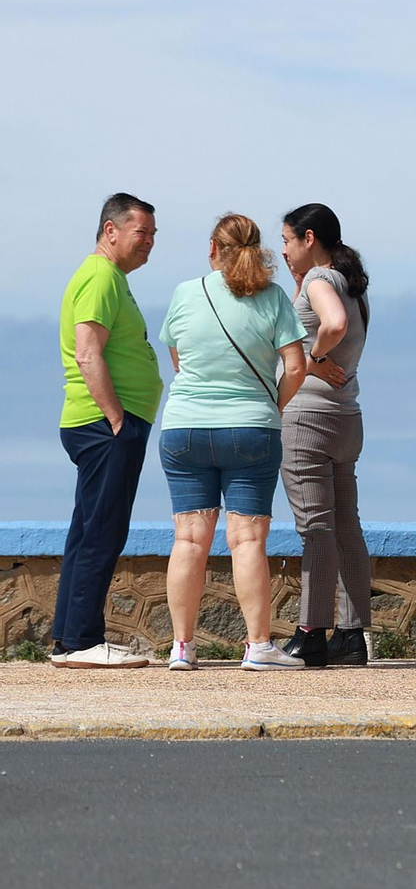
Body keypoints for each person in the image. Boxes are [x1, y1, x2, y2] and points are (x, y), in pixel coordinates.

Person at [157, 214, 308, 671]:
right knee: (246, 541)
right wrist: (271, 408)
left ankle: (182, 648)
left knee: (188, 539)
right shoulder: (274, 297)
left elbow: (178, 358)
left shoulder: (186, 293)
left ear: (211, 249)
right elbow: (297, 367)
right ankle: (258, 646)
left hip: (183, 428)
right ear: (258, 249)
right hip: (251, 429)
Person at [52, 194, 163, 668]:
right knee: (102, 530)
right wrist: (117, 419)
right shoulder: (100, 276)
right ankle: (80, 642)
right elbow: (87, 352)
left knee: (88, 529)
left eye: (154, 236)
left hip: (101, 423)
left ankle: (70, 638)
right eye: (143, 233)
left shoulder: (109, 277)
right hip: (104, 425)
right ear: (111, 230)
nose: (150, 244)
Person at [277, 203, 372, 667]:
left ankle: (311, 632)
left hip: (308, 418)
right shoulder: (352, 284)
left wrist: (311, 359)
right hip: (345, 418)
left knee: (315, 526)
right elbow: (341, 324)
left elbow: (330, 325)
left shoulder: (320, 280)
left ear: (308, 238)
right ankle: (352, 636)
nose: (283, 249)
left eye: (287, 240)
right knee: (346, 524)